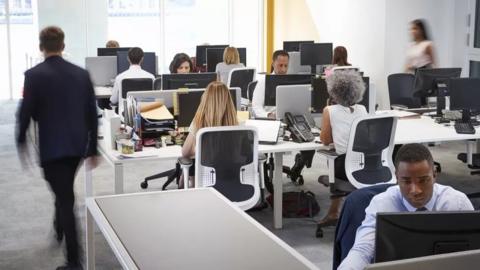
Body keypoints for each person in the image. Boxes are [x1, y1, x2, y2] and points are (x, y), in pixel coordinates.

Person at [16, 26, 99, 270]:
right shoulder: (81, 74)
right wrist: (92, 148)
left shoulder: (34, 75)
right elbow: (92, 114)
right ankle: (59, 226)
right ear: (63, 46)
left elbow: (26, 112)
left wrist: (21, 140)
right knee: (63, 190)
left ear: (41, 47)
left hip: (53, 147)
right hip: (76, 146)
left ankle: (74, 261)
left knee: (65, 199)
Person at [338, 143, 474, 270]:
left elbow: (473, 254)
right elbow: (363, 250)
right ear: (397, 177)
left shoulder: (457, 203)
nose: (415, 190)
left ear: (434, 175)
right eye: (406, 181)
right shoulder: (382, 204)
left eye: (423, 180)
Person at [317, 70, 368, 227]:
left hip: (343, 167)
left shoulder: (329, 110)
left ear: (334, 91)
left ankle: (334, 212)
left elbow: (325, 140)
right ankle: (337, 211)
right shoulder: (363, 109)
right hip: (364, 164)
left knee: (333, 157)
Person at [181, 81, 238, 187]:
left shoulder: (198, 123)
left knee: (191, 164)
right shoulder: (237, 124)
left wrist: (197, 149)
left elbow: (185, 152)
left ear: (205, 99)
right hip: (233, 185)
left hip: (206, 186)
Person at [109, 47, 155, 118]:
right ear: (142, 59)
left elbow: (113, 100)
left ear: (128, 58)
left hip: (125, 117)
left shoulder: (120, 77)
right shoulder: (151, 77)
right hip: (145, 116)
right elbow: (154, 99)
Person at [251, 49, 289, 118]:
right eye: (280, 65)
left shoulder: (291, 81)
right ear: (273, 64)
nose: (283, 69)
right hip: (271, 120)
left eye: (286, 66)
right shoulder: (264, 81)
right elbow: (256, 106)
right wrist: (268, 115)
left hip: (290, 119)